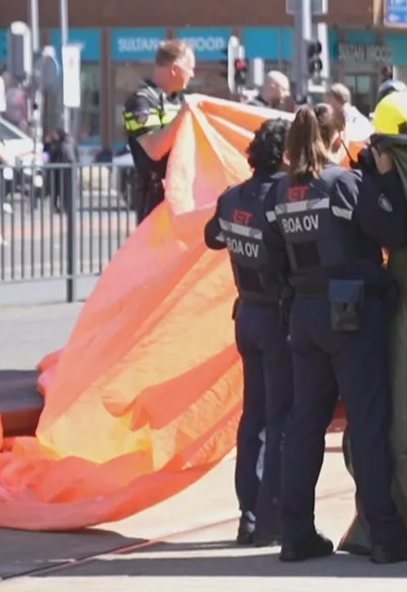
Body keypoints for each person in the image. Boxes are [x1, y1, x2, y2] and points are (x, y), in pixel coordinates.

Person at [263, 103, 407, 564]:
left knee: (304, 425)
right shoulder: (344, 183)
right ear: (338, 139)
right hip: (352, 314)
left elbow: (273, 255)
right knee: (368, 423)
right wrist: (386, 176)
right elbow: (394, 231)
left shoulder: (280, 192)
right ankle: (385, 535)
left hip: (303, 315)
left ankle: (295, 533)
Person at [205, 118, 294, 547]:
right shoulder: (283, 196)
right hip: (279, 319)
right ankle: (273, 519)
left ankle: (250, 516)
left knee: (253, 418)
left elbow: (212, 238)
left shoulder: (232, 197)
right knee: (281, 418)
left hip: (248, 318)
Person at [121, 39, 195, 222]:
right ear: (175, 69)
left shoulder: (179, 101)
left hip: (181, 199)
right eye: (190, 68)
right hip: (154, 203)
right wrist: (184, 114)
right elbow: (155, 149)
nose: (192, 74)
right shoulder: (141, 103)